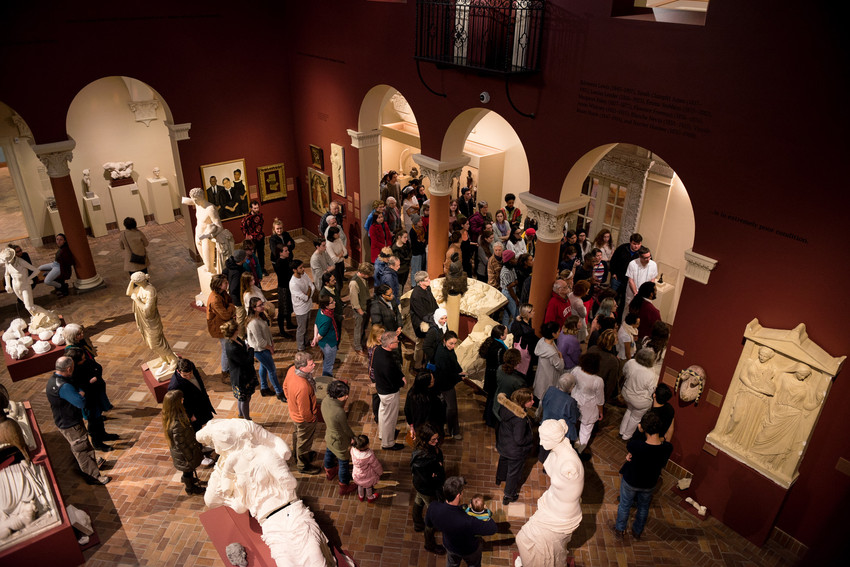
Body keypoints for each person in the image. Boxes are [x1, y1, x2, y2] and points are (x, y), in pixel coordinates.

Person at [45, 356, 111, 485]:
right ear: (69, 369)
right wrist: (81, 392)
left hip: (64, 421)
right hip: (71, 424)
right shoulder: (64, 387)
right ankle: (93, 476)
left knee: (81, 446)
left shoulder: (53, 380)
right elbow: (80, 402)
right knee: (83, 448)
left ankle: (89, 466)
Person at [612, 411, 673, 541]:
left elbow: (632, 446)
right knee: (644, 507)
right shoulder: (667, 448)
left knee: (624, 505)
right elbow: (664, 444)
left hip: (631, 481)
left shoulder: (636, 446)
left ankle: (620, 529)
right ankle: (637, 531)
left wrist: (639, 431)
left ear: (642, 427)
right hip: (649, 483)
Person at [425, 476, 498, 565]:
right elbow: (493, 528)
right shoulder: (469, 521)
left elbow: (428, 523)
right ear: (458, 495)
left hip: (450, 546)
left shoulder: (433, 507)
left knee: (452, 564)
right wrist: (485, 512)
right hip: (469, 550)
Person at [282, 351, 322, 475]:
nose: (314, 365)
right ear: (302, 367)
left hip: (294, 413)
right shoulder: (303, 386)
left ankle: (296, 455)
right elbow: (305, 412)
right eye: (311, 364)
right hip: (303, 419)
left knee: (298, 435)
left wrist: (291, 401)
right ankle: (303, 465)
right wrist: (311, 419)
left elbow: (285, 387)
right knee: (304, 441)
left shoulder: (292, 369)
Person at [411, 423, 447, 556]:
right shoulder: (424, 457)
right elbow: (428, 477)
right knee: (432, 517)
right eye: (433, 440)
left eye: (437, 438)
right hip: (428, 488)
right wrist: (437, 473)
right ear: (426, 440)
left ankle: (417, 523)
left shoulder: (422, 450)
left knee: (418, 500)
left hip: (420, 486)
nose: (437, 441)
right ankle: (429, 544)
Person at [496, 387, 536, 504]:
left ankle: (500, 478)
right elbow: (519, 440)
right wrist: (530, 437)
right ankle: (509, 495)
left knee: (503, 461)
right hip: (515, 451)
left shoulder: (506, 407)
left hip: (503, 444)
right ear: (523, 403)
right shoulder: (520, 419)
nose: (533, 402)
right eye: (530, 400)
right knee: (514, 473)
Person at [161, 390, 205, 495]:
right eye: (181, 399)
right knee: (188, 470)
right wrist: (190, 458)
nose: (183, 400)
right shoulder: (177, 424)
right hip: (184, 455)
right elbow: (181, 444)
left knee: (188, 471)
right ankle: (190, 488)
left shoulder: (171, 415)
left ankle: (188, 479)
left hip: (182, 453)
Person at [321, 380, 358, 496]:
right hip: (339, 440)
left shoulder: (326, 400)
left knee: (329, 451)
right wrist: (353, 437)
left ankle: (330, 471)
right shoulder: (339, 411)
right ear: (337, 396)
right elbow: (346, 429)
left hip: (329, 435)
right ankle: (344, 486)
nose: (347, 396)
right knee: (343, 463)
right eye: (344, 395)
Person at [245, 297, 283, 400]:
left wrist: (272, 342)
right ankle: (279, 392)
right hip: (260, 350)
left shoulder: (260, 317)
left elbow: (267, 331)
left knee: (264, 366)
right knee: (272, 370)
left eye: (262, 304)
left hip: (265, 347)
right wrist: (269, 347)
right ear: (253, 308)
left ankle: (264, 388)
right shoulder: (253, 323)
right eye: (260, 305)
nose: (263, 306)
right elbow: (260, 341)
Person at [373, 331, 406, 450]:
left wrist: (401, 375)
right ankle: (388, 443)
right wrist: (401, 382)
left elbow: (394, 368)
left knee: (383, 413)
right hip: (389, 392)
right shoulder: (386, 362)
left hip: (381, 389)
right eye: (397, 341)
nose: (398, 342)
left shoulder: (378, 350)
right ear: (390, 344)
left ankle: (383, 434)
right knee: (390, 418)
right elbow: (391, 378)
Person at [167, 358, 216, 434]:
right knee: (197, 432)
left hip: (203, 403)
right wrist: (190, 415)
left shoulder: (191, 366)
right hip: (193, 411)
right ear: (178, 371)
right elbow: (177, 405)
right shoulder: (175, 386)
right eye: (185, 375)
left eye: (190, 373)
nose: (189, 377)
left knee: (210, 425)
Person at [222, 320, 258, 421]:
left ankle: (241, 415)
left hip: (245, 374)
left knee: (242, 398)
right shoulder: (232, 347)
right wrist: (251, 349)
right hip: (241, 377)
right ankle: (247, 420)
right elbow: (247, 361)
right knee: (245, 400)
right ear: (235, 331)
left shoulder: (234, 339)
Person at [434, 330, 466, 440]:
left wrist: (459, 371)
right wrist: (459, 377)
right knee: (452, 408)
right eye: (451, 343)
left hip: (446, 381)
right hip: (445, 384)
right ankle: (453, 430)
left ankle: (445, 427)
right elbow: (446, 373)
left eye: (454, 343)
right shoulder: (442, 355)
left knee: (445, 406)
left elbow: (453, 362)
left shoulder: (447, 349)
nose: (453, 346)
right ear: (444, 340)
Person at [540, 372, 580, 457]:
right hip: (561, 431)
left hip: (546, 423)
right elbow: (574, 418)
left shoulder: (550, 390)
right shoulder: (570, 401)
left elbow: (543, 404)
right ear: (571, 387)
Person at [571, 352, 605, 452]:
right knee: (586, 429)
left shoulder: (576, 370)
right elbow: (600, 399)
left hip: (575, 399)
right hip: (589, 406)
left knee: (573, 422)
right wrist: (601, 412)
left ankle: (572, 441)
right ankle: (580, 449)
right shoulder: (598, 380)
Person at [207, 274, 236, 378]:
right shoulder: (215, 299)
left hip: (223, 324)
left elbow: (230, 301)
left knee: (228, 347)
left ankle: (229, 367)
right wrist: (232, 307)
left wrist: (230, 306)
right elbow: (226, 314)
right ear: (219, 285)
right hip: (219, 328)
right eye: (225, 283)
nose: (227, 284)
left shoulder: (222, 293)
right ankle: (225, 371)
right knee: (226, 349)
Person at [479, 324, 508, 428]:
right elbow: (501, 363)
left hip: (490, 374)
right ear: (501, 336)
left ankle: (487, 417)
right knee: (493, 398)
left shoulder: (491, 343)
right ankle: (490, 420)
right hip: (495, 376)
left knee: (491, 397)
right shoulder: (499, 348)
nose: (507, 334)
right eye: (505, 332)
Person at [405, 370, 446, 441]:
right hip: (431, 429)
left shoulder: (412, 392)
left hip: (418, 427)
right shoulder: (430, 399)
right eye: (432, 381)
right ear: (427, 384)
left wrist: (411, 425)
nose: (434, 380)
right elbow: (438, 414)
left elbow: (407, 410)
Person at [410, 271, 439, 371]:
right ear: (421, 282)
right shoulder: (416, 295)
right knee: (420, 344)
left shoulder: (427, 288)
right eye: (427, 280)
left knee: (428, 342)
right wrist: (433, 321)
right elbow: (421, 313)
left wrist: (438, 313)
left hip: (429, 318)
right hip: (420, 322)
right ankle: (417, 365)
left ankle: (426, 362)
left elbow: (433, 302)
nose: (429, 281)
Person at [492, 348, 527, 423]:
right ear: (518, 361)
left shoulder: (499, 368)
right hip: (508, 410)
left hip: (497, 404)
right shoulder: (519, 381)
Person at [588, 329, 622, 403]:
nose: (618, 339)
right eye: (616, 338)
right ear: (612, 342)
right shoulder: (613, 361)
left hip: (586, 385)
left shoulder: (592, 349)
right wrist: (605, 399)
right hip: (599, 392)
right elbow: (611, 384)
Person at [533, 322, 565, 401]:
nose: (560, 333)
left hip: (542, 373)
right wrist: (560, 357)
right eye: (558, 331)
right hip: (549, 376)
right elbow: (560, 366)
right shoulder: (552, 353)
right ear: (553, 334)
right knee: (546, 396)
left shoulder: (542, 340)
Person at [289, 259, 315, 351]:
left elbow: (312, 286)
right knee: (301, 329)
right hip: (301, 309)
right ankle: (300, 347)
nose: (303, 269)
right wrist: (308, 294)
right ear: (294, 270)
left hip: (308, 305)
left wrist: (308, 294)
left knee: (307, 326)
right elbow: (304, 297)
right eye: (300, 268)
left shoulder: (304, 275)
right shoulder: (293, 283)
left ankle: (306, 341)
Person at [349, 263, 374, 355]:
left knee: (364, 327)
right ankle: (357, 346)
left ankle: (363, 342)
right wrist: (361, 312)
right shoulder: (354, 283)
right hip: (360, 310)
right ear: (363, 273)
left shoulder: (363, 279)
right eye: (368, 274)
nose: (369, 276)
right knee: (358, 329)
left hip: (366, 307)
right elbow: (354, 301)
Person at [38, 232, 74, 297]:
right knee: (40, 268)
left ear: (64, 241)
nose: (58, 241)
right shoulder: (61, 248)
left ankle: (61, 286)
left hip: (59, 267)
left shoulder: (65, 251)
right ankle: (50, 272)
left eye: (61, 240)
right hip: (55, 263)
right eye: (57, 239)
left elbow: (67, 264)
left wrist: (61, 273)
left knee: (47, 281)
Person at [311, 295, 340, 377]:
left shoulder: (321, 310)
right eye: (332, 302)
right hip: (329, 344)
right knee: (328, 365)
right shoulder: (327, 319)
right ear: (326, 305)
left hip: (323, 344)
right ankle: (327, 380)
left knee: (327, 361)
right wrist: (316, 339)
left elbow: (316, 324)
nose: (334, 302)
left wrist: (314, 338)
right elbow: (321, 334)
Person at [351, 434, 383, 503]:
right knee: (368, 486)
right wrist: (380, 472)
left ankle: (361, 496)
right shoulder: (369, 455)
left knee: (360, 485)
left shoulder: (353, 450)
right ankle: (370, 497)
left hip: (357, 473)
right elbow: (376, 465)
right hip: (367, 475)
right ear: (366, 445)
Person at [624, 246, 658, 311]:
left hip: (646, 295)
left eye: (649, 257)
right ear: (640, 257)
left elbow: (652, 280)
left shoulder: (653, 264)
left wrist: (647, 293)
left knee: (643, 311)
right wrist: (635, 293)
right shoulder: (632, 264)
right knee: (629, 310)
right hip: (632, 293)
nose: (648, 259)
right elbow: (631, 280)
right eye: (646, 258)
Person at [272, 244, 294, 334]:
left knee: (288, 306)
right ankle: (282, 331)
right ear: (280, 253)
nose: (288, 252)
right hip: (283, 288)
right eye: (286, 251)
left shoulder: (286, 260)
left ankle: (289, 323)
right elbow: (285, 276)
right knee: (283, 310)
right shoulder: (279, 263)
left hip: (288, 287)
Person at [240, 200, 267, 275]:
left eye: (257, 208)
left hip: (260, 238)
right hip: (252, 240)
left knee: (261, 254)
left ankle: (262, 269)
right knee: (251, 255)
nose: (257, 210)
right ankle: (252, 270)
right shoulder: (247, 218)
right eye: (255, 208)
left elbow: (261, 226)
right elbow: (242, 227)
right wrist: (247, 236)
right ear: (251, 208)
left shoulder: (261, 215)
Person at [224, 249, 248, 327]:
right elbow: (234, 289)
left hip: (236, 297)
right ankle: (241, 336)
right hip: (238, 299)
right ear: (242, 259)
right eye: (245, 256)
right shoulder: (237, 272)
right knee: (240, 319)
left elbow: (224, 272)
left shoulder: (231, 266)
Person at [499, 249, 519, 327]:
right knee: (516, 314)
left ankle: (505, 328)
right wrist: (516, 299)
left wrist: (514, 283)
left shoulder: (512, 268)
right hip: (508, 293)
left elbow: (515, 281)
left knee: (507, 313)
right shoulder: (505, 272)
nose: (515, 260)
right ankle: (510, 330)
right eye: (513, 258)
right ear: (509, 260)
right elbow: (510, 288)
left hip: (511, 290)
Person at [409, 214, 427, 287]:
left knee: (421, 269)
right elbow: (415, 244)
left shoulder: (422, 229)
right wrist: (422, 243)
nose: (421, 222)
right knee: (415, 270)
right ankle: (414, 285)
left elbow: (424, 240)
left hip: (422, 251)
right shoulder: (413, 231)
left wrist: (422, 243)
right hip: (416, 253)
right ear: (416, 222)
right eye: (419, 221)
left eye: (421, 220)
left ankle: (420, 283)